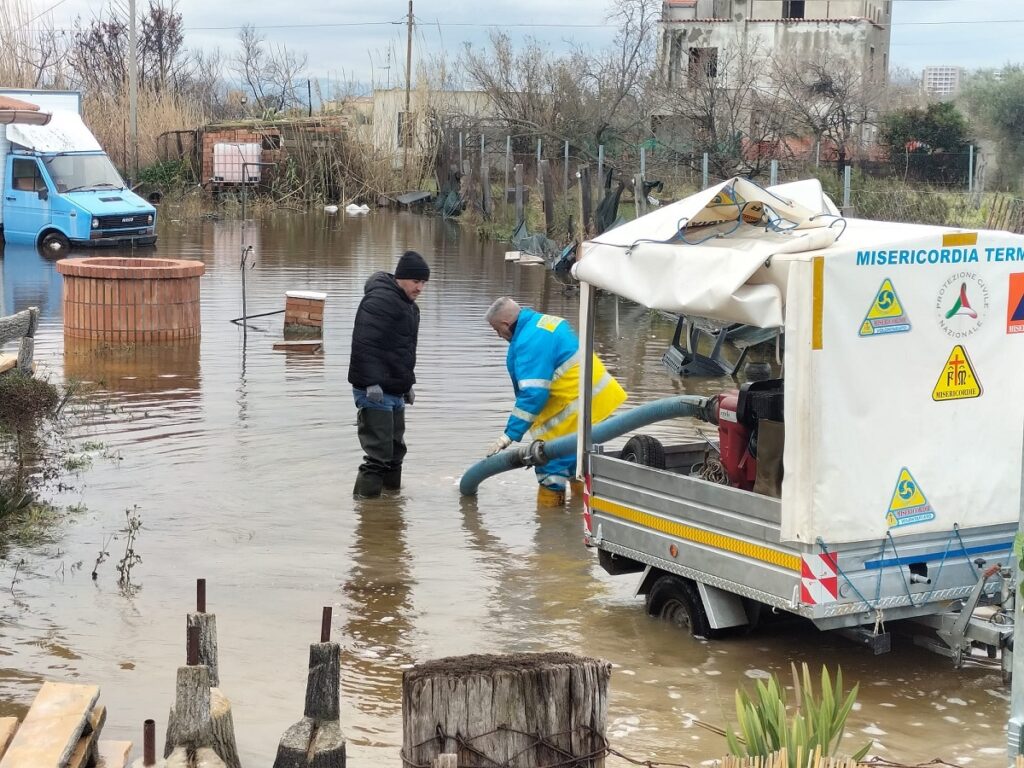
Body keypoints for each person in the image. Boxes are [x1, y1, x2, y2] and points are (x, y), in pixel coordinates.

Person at [484, 296, 627, 506]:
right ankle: (579, 516)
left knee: (549, 466)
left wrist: (509, 435)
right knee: (577, 463)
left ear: (506, 323)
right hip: (593, 402)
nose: (499, 335)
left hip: (575, 409)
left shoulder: (529, 340)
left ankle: (549, 531)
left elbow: (533, 393)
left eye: (497, 330)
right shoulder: (544, 322)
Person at [348, 251, 430, 498]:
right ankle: (366, 510)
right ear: (401, 278)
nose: (420, 288)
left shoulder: (409, 307)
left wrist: (407, 384)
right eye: (416, 281)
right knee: (379, 455)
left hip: (394, 389)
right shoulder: (380, 301)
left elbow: (404, 350)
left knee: (395, 452)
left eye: (423, 283)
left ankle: (391, 504)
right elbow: (364, 343)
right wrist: (371, 382)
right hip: (374, 391)